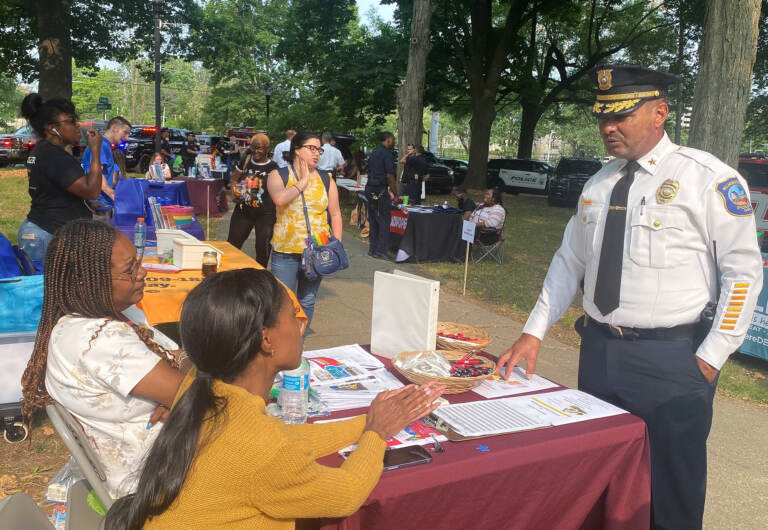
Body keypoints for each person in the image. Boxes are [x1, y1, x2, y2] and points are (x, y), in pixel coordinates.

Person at [495, 65, 762, 530]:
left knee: (669, 495)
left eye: (621, 116)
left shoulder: (707, 179)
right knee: (601, 479)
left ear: (660, 113)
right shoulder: (598, 183)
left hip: (673, 360)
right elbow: (569, 263)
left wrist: (711, 356)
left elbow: (743, 274)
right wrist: (533, 332)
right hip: (599, 351)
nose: (607, 128)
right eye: (602, 118)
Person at [104, 268, 444, 529]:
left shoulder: (201, 386)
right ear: (267, 340)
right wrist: (376, 435)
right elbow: (345, 494)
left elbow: (284, 439)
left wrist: (367, 423)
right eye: (290, 317)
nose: (299, 326)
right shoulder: (260, 444)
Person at [21, 220, 189, 498]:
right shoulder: (99, 340)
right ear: (88, 282)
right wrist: (183, 392)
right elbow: (195, 391)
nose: (142, 272)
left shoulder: (116, 316)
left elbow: (188, 386)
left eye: (137, 262)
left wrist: (183, 389)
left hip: (169, 454)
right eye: (129, 269)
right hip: (155, 481)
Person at [267, 131, 343, 329]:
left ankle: (298, 348)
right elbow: (279, 199)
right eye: (311, 148)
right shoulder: (279, 175)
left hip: (317, 251)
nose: (317, 153)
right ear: (296, 150)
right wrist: (302, 182)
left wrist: (336, 244)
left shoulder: (326, 179)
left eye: (319, 149)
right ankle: (281, 347)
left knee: (307, 301)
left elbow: (335, 214)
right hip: (286, 251)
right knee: (282, 304)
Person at [17, 93, 103, 262]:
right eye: (70, 121)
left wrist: (83, 204)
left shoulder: (45, 151)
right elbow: (91, 191)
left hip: (44, 230)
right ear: (52, 129)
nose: (77, 126)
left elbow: (53, 189)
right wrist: (95, 151)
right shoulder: (53, 155)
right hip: (47, 234)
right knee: (47, 287)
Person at [227, 134, 278, 267]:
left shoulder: (274, 167)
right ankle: (227, 273)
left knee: (262, 248)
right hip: (243, 211)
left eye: (260, 148)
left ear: (267, 149)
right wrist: (234, 193)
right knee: (232, 245)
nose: (256, 151)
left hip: (265, 214)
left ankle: (260, 278)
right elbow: (234, 180)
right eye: (253, 147)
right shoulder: (245, 161)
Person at [80, 116, 132, 219]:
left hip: (103, 203)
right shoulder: (102, 145)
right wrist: (115, 196)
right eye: (125, 132)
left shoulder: (105, 145)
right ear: (114, 128)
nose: (127, 138)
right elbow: (97, 174)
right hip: (98, 206)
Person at [365, 132, 398, 260]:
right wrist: (395, 194)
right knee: (384, 220)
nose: (394, 142)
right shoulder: (386, 154)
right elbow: (389, 175)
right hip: (380, 190)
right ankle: (381, 250)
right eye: (393, 140)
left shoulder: (374, 152)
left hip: (370, 189)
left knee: (373, 218)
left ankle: (372, 249)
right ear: (388, 140)